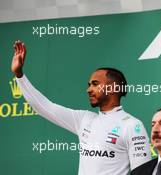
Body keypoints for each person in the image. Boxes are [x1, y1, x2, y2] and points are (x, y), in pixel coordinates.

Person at [11, 40, 151, 175]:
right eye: (89, 85)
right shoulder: (84, 119)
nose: (89, 90)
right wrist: (19, 75)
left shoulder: (132, 126)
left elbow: (144, 173)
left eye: (95, 84)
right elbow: (43, 107)